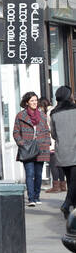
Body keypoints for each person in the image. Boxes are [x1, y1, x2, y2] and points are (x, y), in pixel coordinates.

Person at [13, 91, 51, 207]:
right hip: (27, 149)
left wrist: (47, 142)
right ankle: (31, 198)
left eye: (36, 100)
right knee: (30, 173)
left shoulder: (43, 116)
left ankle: (37, 196)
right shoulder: (21, 116)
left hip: (41, 148)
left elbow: (46, 131)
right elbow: (15, 132)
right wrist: (22, 143)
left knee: (38, 174)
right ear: (27, 103)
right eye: (32, 101)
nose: (35, 103)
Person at [51, 86, 76, 215]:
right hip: (74, 150)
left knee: (71, 181)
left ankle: (72, 211)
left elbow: (53, 135)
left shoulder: (54, 113)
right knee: (73, 182)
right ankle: (66, 204)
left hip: (62, 152)